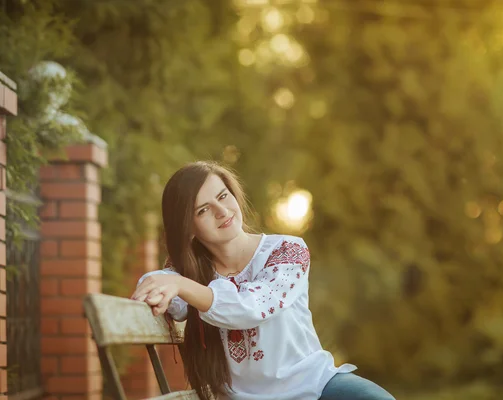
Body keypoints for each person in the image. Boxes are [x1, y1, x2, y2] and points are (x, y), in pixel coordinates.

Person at [131, 161, 395, 400]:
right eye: (203, 210)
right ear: (188, 227)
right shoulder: (188, 272)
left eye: (223, 196)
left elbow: (253, 306)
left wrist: (180, 285)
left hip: (315, 387)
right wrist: (161, 283)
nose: (222, 211)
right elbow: (166, 291)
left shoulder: (287, 251)